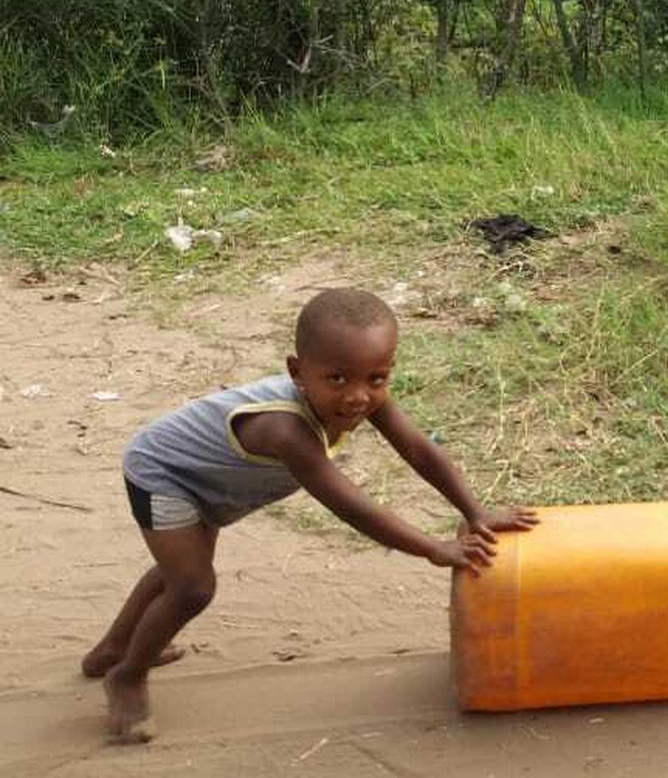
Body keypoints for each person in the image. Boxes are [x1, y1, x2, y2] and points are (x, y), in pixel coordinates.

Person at [84, 287, 538, 742]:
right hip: (166, 473)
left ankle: (110, 649)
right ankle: (127, 675)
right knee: (192, 586)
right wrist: (432, 548)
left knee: (177, 572)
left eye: (375, 378)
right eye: (337, 379)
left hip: (216, 480)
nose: (358, 396)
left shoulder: (364, 398)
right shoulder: (285, 429)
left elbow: (417, 448)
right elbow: (347, 504)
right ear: (297, 372)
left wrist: (475, 510)